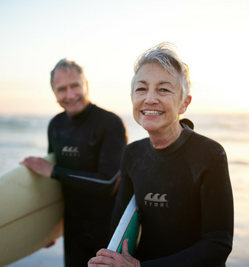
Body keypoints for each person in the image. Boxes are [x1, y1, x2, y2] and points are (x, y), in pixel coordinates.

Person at [88, 43, 234, 267]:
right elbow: (120, 228)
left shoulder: (209, 155)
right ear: (132, 99)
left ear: (184, 103)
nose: (150, 98)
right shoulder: (132, 154)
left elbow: (218, 244)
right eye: (141, 89)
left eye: (163, 89)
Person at [20, 59, 127, 266]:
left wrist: (54, 171)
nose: (70, 95)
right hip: (73, 231)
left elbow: (108, 184)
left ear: (85, 84)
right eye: (61, 89)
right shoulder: (56, 125)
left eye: (75, 86)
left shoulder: (110, 123)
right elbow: (55, 187)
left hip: (109, 231)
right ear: (54, 93)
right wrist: (49, 228)